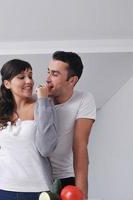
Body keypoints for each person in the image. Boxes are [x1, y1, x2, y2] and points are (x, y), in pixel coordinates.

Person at [0, 59, 57, 200]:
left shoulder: (42, 105)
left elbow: (46, 148)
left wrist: (44, 101)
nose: (29, 81)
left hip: (38, 190)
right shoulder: (0, 114)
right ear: (7, 83)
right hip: (0, 188)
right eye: (21, 77)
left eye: (30, 76)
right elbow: (2, 152)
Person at [40, 51, 96, 199]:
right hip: (37, 178)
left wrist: (82, 195)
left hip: (66, 178)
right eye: (48, 72)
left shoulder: (84, 99)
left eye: (55, 74)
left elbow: (80, 146)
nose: (47, 79)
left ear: (72, 80)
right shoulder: (39, 99)